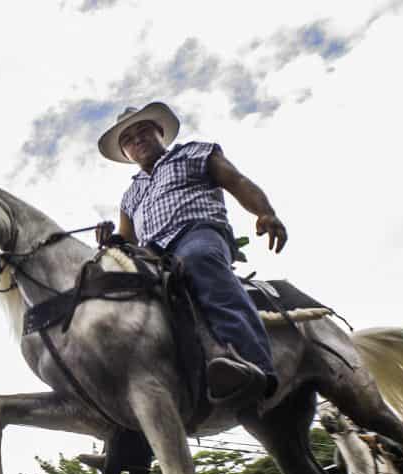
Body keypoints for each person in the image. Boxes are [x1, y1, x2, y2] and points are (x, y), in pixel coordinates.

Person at [97, 102, 287, 407]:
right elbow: (126, 238)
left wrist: (265, 212)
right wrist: (112, 239)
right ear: (126, 153)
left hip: (197, 232)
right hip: (152, 255)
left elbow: (236, 182)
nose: (137, 140)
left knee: (198, 261)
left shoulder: (194, 153)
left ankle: (254, 364)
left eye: (143, 130)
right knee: (115, 299)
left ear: (160, 132)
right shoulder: (130, 195)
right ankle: (123, 415)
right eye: (128, 140)